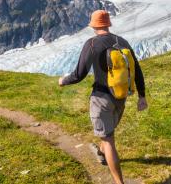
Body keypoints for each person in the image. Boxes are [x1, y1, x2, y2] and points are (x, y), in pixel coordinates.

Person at [58, 10, 148, 184]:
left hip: (101, 99)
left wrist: (63, 81)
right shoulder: (122, 42)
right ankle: (100, 153)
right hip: (120, 98)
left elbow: (79, 74)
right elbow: (137, 71)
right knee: (107, 134)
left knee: (109, 141)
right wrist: (142, 96)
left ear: (93, 25)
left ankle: (118, 182)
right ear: (108, 23)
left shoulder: (92, 44)